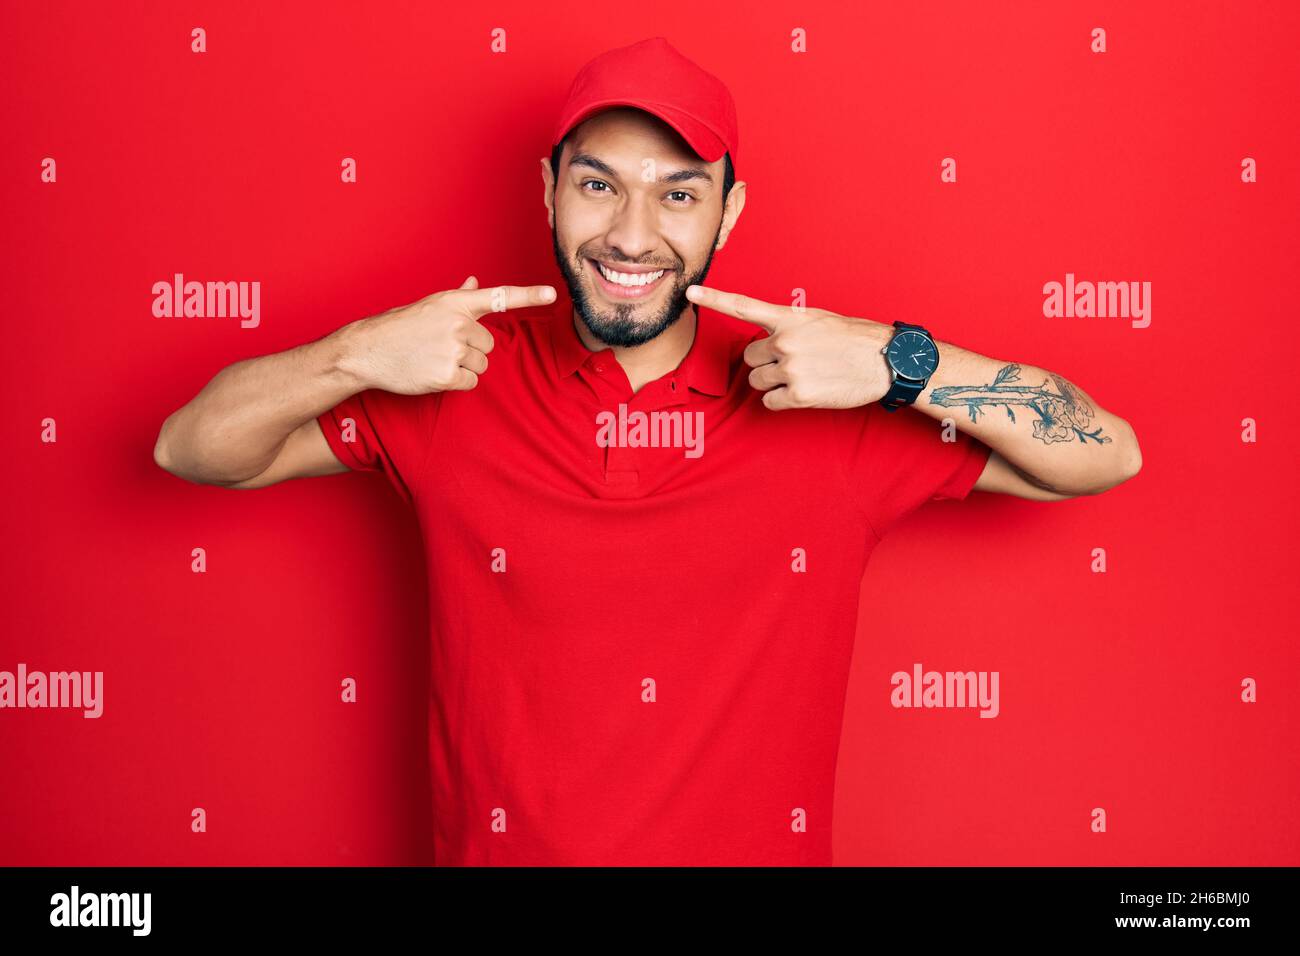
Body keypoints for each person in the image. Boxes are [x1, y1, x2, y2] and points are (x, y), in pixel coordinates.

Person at [153, 36, 1141, 865]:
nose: (631, 234)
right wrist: (352, 352)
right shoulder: (447, 382)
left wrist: (896, 358)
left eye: (677, 195)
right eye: (598, 184)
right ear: (547, 192)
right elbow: (194, 446)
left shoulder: (821, 395)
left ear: (729, 211)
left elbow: (1102, 450)